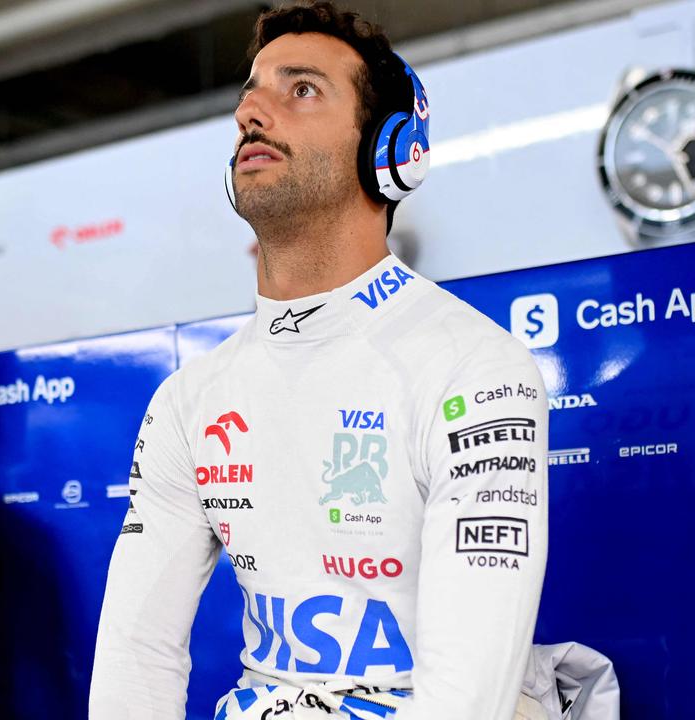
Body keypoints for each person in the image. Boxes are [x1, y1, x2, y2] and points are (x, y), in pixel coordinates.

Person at [89, 3, 548, 719]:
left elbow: (466, 695)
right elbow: (136, 652)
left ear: (392, 152)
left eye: (300, 89)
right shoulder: (189, 399)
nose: (252, 110)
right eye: (250, 90)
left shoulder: (476, 368)